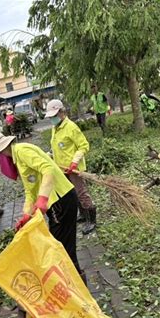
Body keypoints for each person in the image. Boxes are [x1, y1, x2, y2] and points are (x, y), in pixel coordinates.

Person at [0, 130, 86, 281]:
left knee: (63, 251)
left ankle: (78, 289)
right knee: (62, 249)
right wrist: (26, 215)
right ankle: (76, 286)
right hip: (56, 204)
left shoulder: (22, 151)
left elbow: (47, 169)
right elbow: (29, 190)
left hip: (60, 200)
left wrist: (42, 198)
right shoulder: (16, 158)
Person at [46, 99, 96, 235]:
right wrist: (49, 154)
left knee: (81, 193)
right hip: (62, 168)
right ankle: (82, 214)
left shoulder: (71, 127)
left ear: (62, 112)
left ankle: (91, 220)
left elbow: (84, 145)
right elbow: (56, 147)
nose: (52, 119)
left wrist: (74, 162)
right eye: (50, 117)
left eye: (54, 116)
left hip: (74, 169)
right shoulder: (54, 128)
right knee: (72, 193)